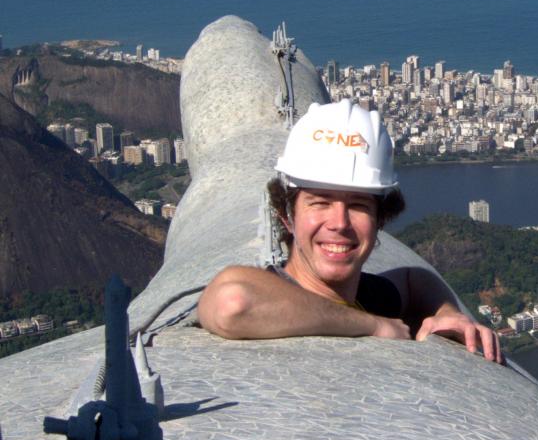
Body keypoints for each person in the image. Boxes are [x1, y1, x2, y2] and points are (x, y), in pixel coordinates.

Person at [198, 100, 502, 364]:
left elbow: (414, 279)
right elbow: (231, 302)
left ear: (380, 219)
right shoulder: (272, 293)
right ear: (287, 217)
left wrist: (448, 312)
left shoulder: (367, 295)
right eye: (320, 203)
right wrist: (373, 326)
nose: (339, 223)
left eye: (358, 205)